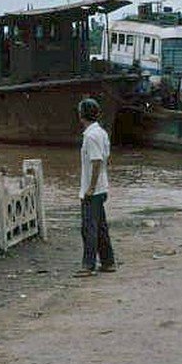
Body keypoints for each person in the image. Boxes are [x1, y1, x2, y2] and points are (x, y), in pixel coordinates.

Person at [75, 98, 115, 276]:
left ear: (81, 115)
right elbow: (104, 159)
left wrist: (90, 187)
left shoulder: (90, 136)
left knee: (89, 228)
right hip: (101, 186)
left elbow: (96, 161)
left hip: (93, 188)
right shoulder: (101, 132)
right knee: (100, 227)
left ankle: (88, 265)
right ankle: (108, 262)